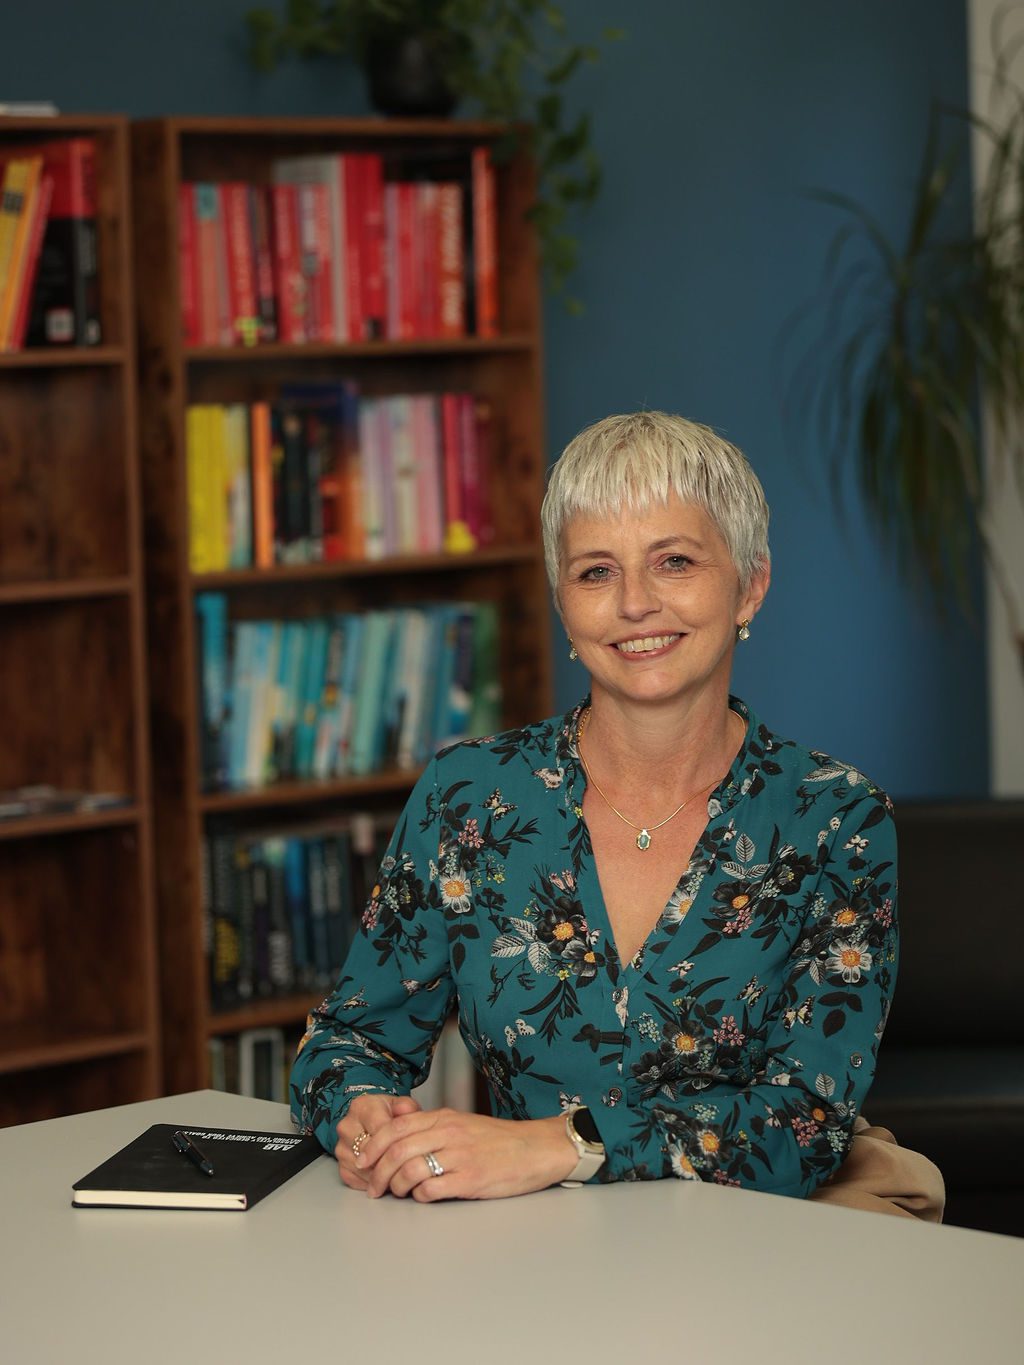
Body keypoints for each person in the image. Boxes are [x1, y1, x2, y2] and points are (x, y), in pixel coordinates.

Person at [291, 410, 943, 1218]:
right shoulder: (466, 797)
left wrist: (563, 1142)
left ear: (751, 582)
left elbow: (801, 1126)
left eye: (674, 561)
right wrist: (362, 1116)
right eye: (596, 571)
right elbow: (347, 1041)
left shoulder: (837, 818)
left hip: (756, 1252)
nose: (636, 602)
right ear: (562, 601)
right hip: (530, 1247)